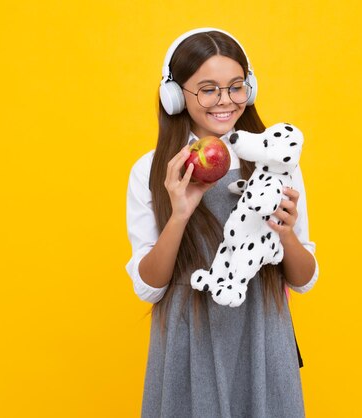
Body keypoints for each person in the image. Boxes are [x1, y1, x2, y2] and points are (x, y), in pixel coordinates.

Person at [125, 27, 319, 418]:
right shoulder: (151, 170)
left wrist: (286, 234)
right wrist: (180, 213)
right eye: (208, 89)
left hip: (261, 333)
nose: (225, 101)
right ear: (176, 95)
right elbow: (148, 286)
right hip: (188, 336)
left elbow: (304, 278)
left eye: (235, 87)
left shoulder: (276, 164)